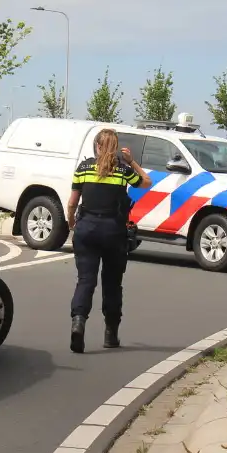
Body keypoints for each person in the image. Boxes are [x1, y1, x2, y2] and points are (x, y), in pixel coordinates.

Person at [65, 129, 153, 353]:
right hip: (113, 231)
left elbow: (72, 203)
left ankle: (78, 322)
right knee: (112, 283)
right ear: (115, 148)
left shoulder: (83, 169)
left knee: (85, 280)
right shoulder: (123, 171)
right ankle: (110, 334)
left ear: (97, 146)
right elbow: (146, 182)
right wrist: (132, 161)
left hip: (86, 229)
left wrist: (71, 223)